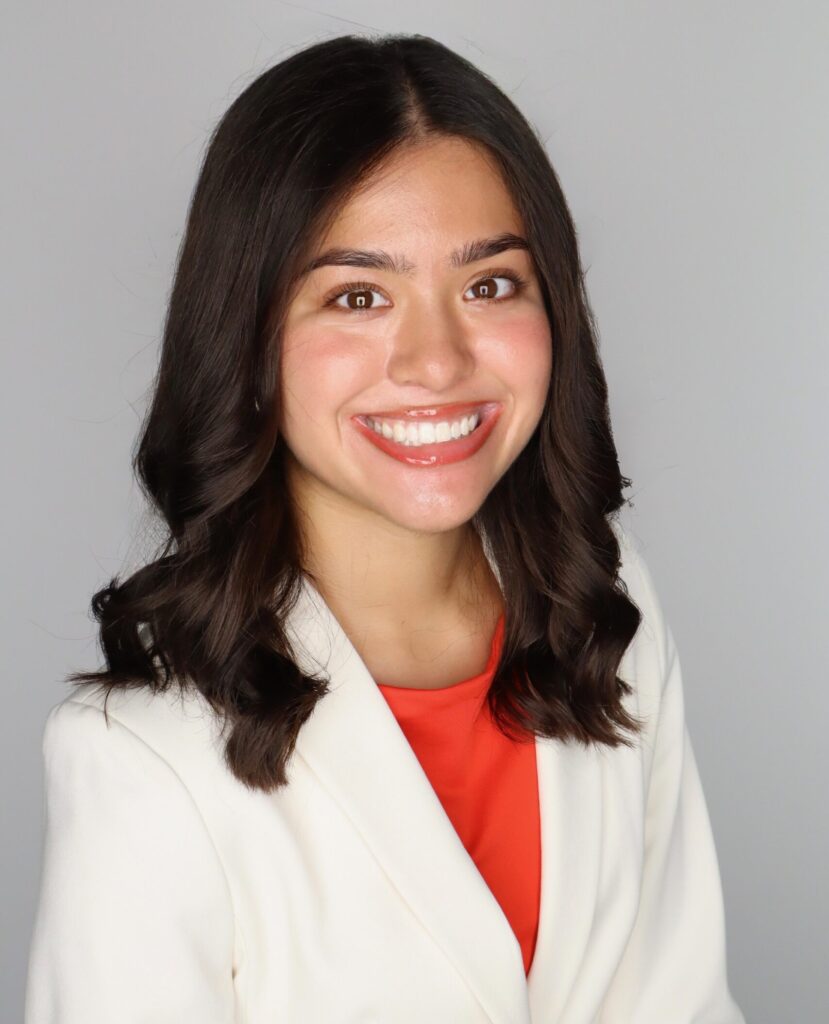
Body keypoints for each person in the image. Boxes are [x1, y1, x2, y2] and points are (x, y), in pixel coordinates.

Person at [24, 33, 746, 1023]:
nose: (437, 360)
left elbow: (682, 1003)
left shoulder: (607, 611)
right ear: (247, 336)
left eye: (488, 283)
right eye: (357, 296)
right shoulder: (140, 753)